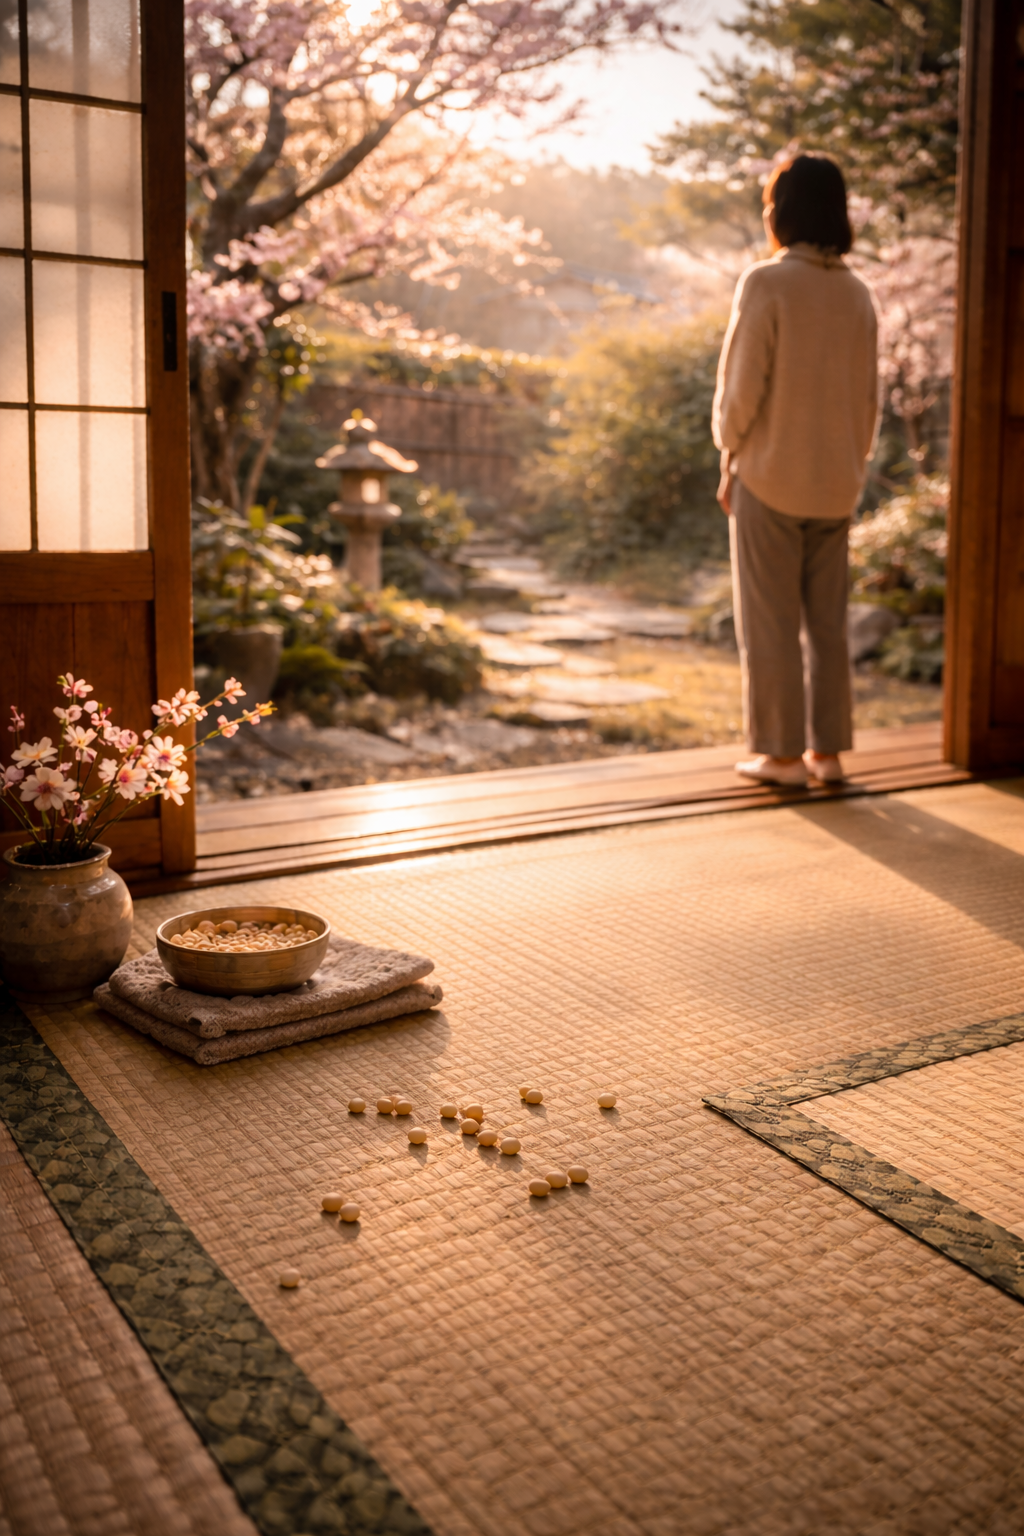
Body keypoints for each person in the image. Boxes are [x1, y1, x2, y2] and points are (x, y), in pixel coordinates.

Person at [712, 153, 879, 787]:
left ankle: (781, 756)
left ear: (780, 211)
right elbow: (870, 400)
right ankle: (827, 754)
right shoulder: (857, 292)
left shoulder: (767, 283)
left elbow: (740, 391)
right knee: (828, 625)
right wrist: (852, 466)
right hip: (836, 483)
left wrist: (729, 453)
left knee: (771, 621)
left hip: (769, 476)